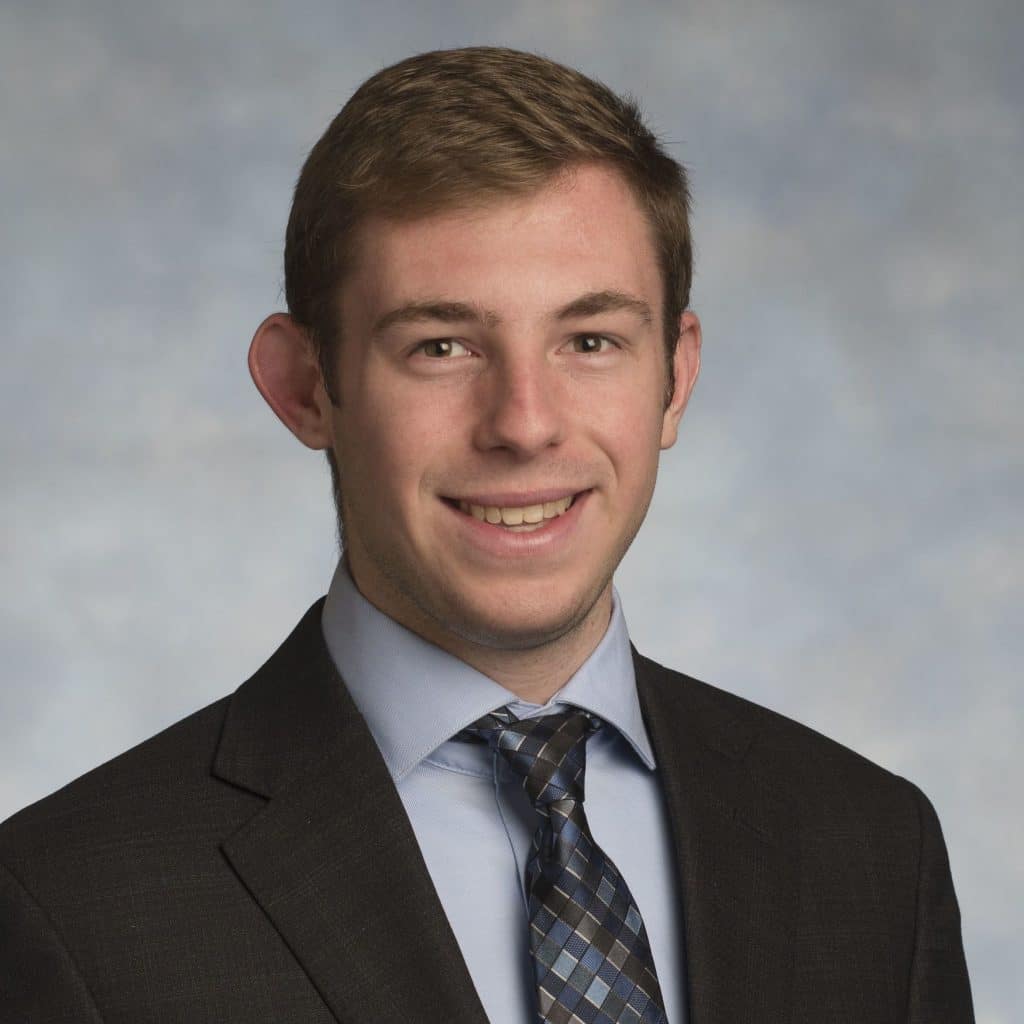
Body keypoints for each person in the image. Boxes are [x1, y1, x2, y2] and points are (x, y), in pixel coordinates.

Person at [0, 46, 973, 1024]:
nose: (524, 423)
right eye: (442, 346)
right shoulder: (67, 908)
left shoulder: (874, 849)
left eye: (589, 340)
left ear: (674, 379)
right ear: (305, 387)